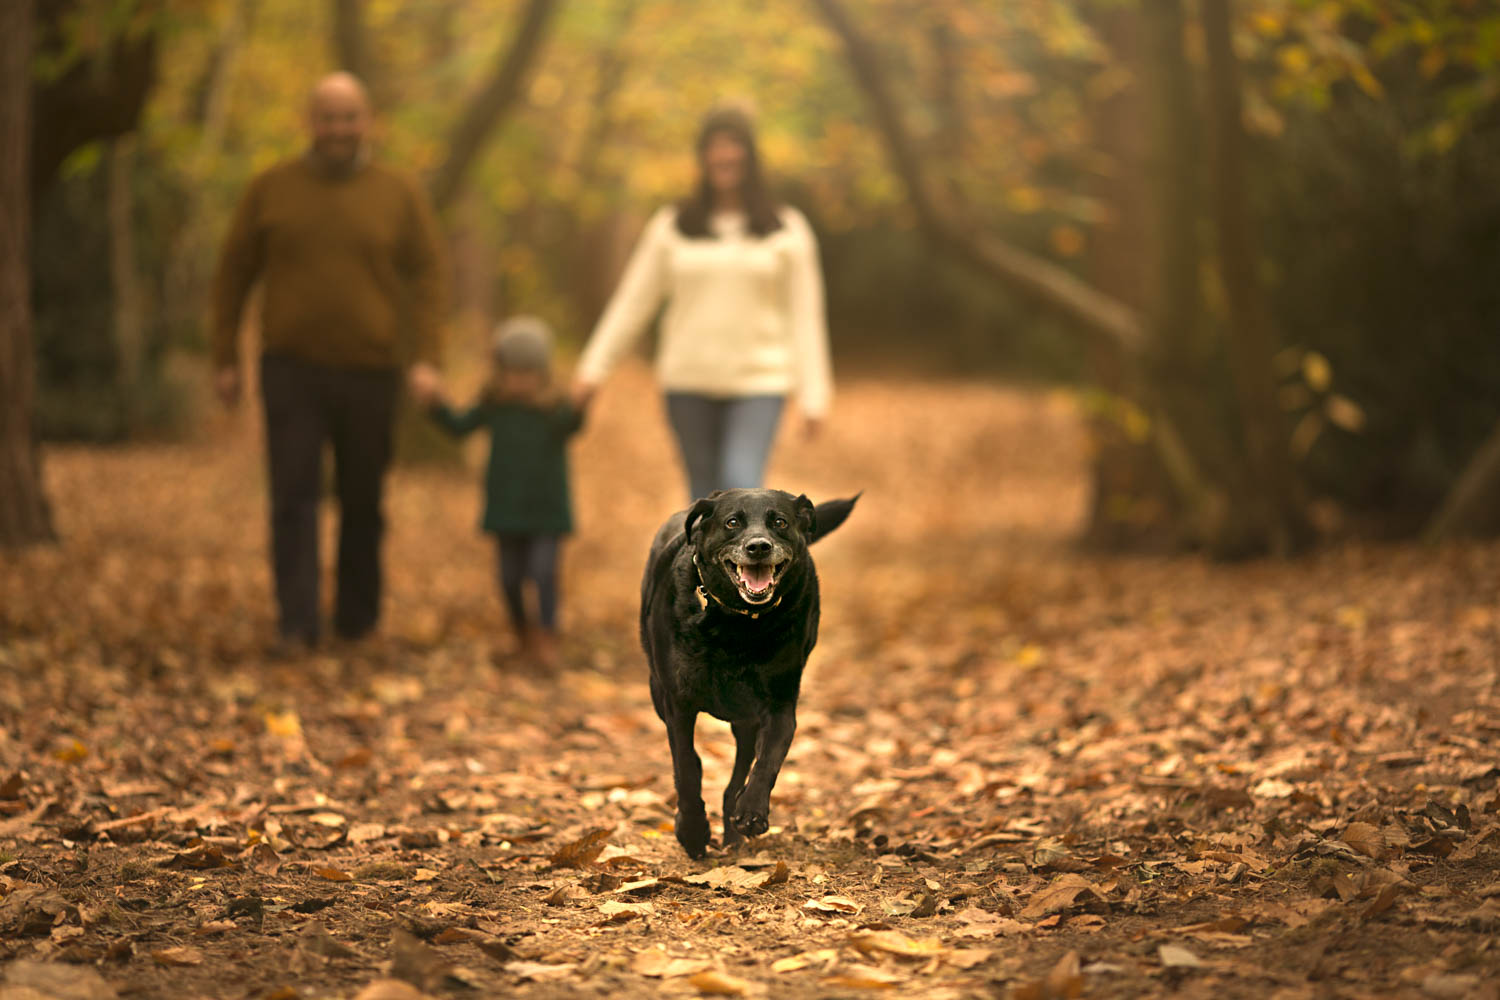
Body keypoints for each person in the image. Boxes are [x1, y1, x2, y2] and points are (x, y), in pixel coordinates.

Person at [212, 72, 447, 653]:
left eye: (349, 117)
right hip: (290, 369)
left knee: (363, 500)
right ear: (310, 122)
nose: (338, 129)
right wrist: (224, 357)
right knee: (293, 496)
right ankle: (296, 624)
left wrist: (427, 357)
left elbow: (429, 275)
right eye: (328, 117)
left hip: (371, 371)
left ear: (367, 121)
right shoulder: (271, 188)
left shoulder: (398, 193)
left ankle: (357, 622)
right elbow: (232, 274)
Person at [571, 105, 833, 502]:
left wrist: (814, 395)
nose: (724, 155)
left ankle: (746, 566)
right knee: (704, 500)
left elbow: (805, 315)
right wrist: (592, 370)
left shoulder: (787, 230)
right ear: (702, 157)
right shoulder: (671, 226)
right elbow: (632, 303)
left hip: (759, 383)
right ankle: (700, 568)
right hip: (687, 383)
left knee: (740, 483)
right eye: (714, 146)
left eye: (733, 145)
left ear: (749, 155)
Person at [428, 317, 583, 668]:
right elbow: (459, 426)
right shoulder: (494, 406)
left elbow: (573, 424)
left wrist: (581, 402)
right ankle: (521, 635)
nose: (520, 381)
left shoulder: (553, 410)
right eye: (513, 372)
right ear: (500, 372)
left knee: (544, 573)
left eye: (528, 373)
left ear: (542, 373)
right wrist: (435, 402)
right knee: (509, 579)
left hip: (546, 511)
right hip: (506, 510)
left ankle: (547, 637)